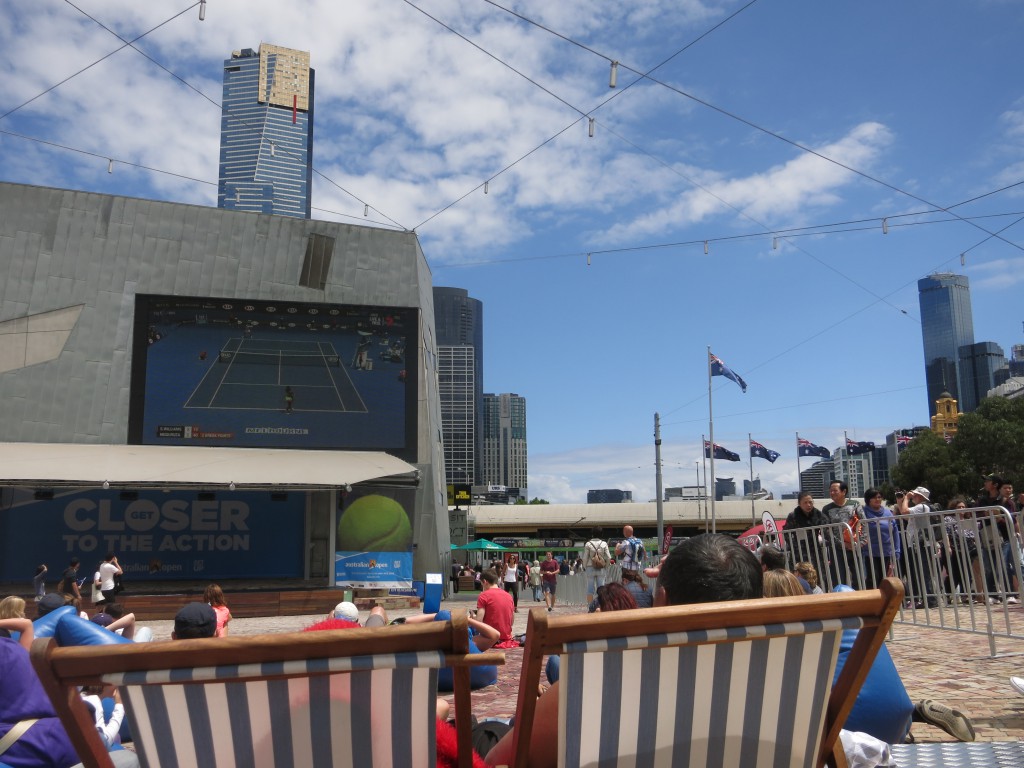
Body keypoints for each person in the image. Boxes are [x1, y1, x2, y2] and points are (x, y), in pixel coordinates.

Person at [895, 487, 941, 608]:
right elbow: (904, 515)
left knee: (924, 572)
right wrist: (901, 500)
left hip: (922, 544)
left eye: (914, 495)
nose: (912, 497)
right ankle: (927, 598)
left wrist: (907, 498)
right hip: (918, 543)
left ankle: (931, 599)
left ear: (919, 496)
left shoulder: (922, 507)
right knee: (920, 571)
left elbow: (904, 512)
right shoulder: (920, 508)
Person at [821, 481, 861, 589]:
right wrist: (842, 544)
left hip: (856, 547)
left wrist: (862, 541)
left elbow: (863, 522)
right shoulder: (826, 509)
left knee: (859, 577)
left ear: (844, 492)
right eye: (831, 491)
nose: (832, 493)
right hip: (837, 549)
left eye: (835, 490)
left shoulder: (854, 504)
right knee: (838, 578)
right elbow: (826, 531)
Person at [784, 491, 827, 581]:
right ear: (799, 503)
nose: (808, 505)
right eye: (805, 502)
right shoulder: (793, 516)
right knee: (798, 576)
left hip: (814, 550)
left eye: (810, 502)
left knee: (818, 575)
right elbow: (786, 533)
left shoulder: (818, 514)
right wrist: (793, 545)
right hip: (798, 551)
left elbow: (826, 529)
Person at [860, 488, 899, 590]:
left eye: (879, 497)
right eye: (874, 497)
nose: (877, 499)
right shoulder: (863, 513)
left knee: (884, 579)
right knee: (872, 578)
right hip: (869, 553)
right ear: (868, 499)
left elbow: (895, 532)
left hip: (886, 552)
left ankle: (883, 603)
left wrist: (897, 550)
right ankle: (871, 602)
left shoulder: (888, 513)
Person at [475, 569, 516, 647]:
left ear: (485, 581)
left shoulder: (483, 596)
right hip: (506, 638)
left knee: (467, 640)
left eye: (481, 584)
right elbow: (512, 620)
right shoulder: (509, 596)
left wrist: (473, 619)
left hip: (490, 637)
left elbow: (479, 622)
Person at [582, 527, 610, 604]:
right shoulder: (604, 544)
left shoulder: (588, 544)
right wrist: (606, 567)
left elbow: (585, 558)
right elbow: (608, 557)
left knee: (590, 589)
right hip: (601, 568)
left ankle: (590, 607)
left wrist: (584, 567)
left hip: (590, 567)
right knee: (601, 588)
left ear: (592, 534)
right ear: (601, 534)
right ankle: (601, 606)